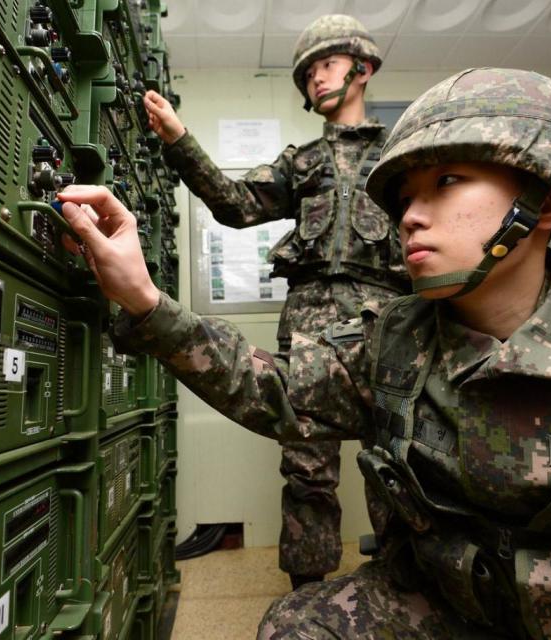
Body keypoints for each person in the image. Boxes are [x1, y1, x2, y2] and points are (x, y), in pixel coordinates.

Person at [59, 67, 551, 639]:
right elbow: (277, 391)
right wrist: (145, 299)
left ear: (546, 201)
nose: (408, 215)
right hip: (455, 606)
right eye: (404, 195)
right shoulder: (394, 340)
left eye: (447, 182)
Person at [141, 14, 408, 589]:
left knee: (398, 464)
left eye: (327, 65)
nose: (315, 78)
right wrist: (178, 141)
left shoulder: (404, 156)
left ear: (362, 69)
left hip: (390, 323)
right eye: (308, 72)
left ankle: (405, 590)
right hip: (311, 324)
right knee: (307, 468)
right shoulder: (303, 162)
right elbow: (235, 205)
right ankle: (307, 600)